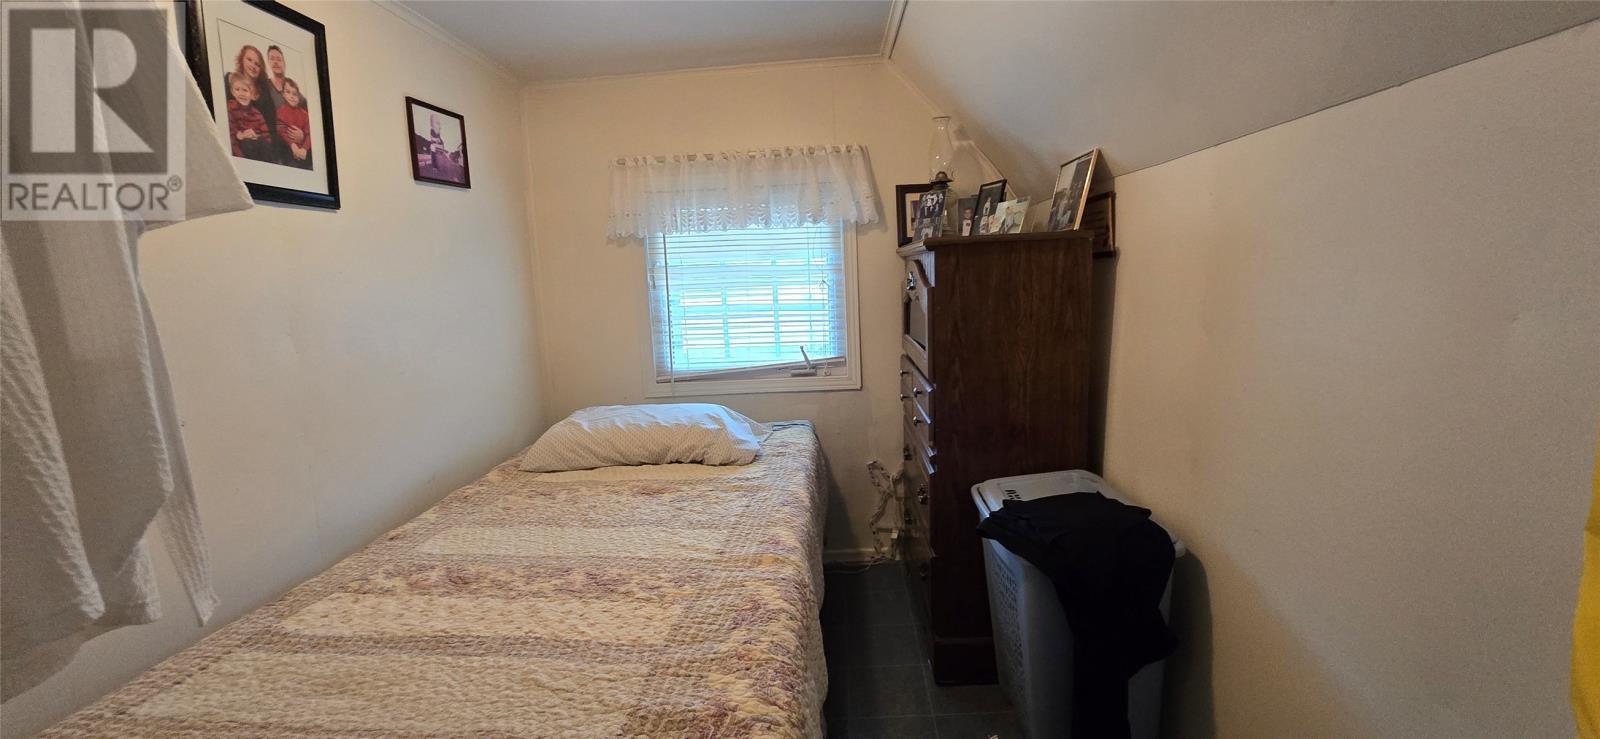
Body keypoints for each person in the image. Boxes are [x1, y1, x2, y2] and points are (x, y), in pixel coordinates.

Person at [264, 46, 305, 164]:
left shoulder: (291, 87)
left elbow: (308, 112)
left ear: (284, 63)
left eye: (279, 59)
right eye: (272, 59)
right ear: (268, 62)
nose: (276, 62)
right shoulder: (265, 85)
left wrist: (302, 135)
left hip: (297, 139)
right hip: (277, 138)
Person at [233, 45, 277, 153]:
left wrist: (259, 137)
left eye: (257, 64)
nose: (253, 66)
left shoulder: (265, 93)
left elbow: (271, 126)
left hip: (261, 142)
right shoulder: (232, 83)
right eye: (249, 60)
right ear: (241, 61)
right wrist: (241, 135)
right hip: (239, 141)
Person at [225, 72, 270, 160]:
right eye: (237, 89)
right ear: (232, 92)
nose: (241, 93)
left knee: (261, 142)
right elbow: (231, 134)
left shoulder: (257, 114)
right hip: (240, 153)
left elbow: (267, 137)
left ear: (251, 94)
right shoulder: (229, 108)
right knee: (246, 143)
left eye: (245, 90)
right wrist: (241, 135)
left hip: (258, 151)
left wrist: (256, 137)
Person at [274, 78, 312, 169]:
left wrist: (304, 149)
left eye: (295, 94)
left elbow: (309, 134)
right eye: (288, 92)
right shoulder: (280, 111)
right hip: (288, 146)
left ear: (299, 98)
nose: (291, 96)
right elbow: (281, 131)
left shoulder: (305, 115)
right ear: (283, 94)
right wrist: (292, 145)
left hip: (303, 148)